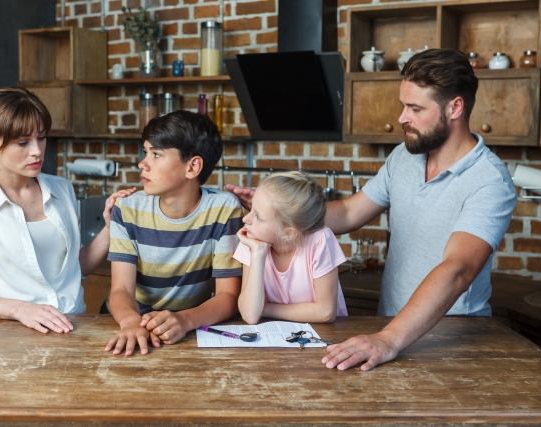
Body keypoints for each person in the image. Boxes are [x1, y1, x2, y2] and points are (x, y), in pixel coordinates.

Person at [226, 49, 517, 371]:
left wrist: (389, 339)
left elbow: (458, 269)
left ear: (455, 107)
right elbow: (350, 212)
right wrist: (285, 213)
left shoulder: (489, 181)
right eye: (403, 105)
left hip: (451, 333)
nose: (402, 118)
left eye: (415, 108)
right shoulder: (405, 157)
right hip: (390, 325)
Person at [0, 87, 120, 334]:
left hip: (75, 330)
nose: (36, 151)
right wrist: (20, 309)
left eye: (42, 138)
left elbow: (74, 268)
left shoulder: (62, 189)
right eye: (23, 142)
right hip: (9, 338)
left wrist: (110, 229)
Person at [104, 110, 244, 357]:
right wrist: (130, 322)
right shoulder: (127, 208)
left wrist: (186, 320)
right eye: (146, 152)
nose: (142, 163)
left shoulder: (223, 209)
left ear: (193, 167)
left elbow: (229, 295)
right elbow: (121, 291)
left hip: (188, 329)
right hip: (127, 322)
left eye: (156, 154)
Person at [234, 171, 348, 325]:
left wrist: (266, 309)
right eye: (251, 210)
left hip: (325, 335)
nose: (245, 219)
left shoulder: (320, 240)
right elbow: (250, 315)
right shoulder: (253, 240)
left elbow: (325, 312)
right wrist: (258, 254)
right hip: (276, 336)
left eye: (258, 217)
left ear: (288, 234)